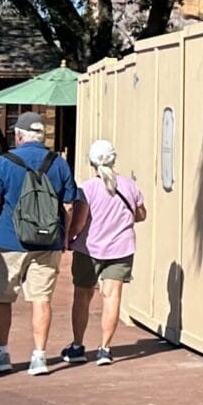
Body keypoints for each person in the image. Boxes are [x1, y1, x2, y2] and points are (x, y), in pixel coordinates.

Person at [0, 111, 82, 375]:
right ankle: (39, 356)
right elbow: (69, 205)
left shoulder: (3, 162)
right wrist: (64, 238)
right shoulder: (59, 163)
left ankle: (2, 352)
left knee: (3, 298)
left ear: (18, 135)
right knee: (41, 300)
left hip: (10, 240)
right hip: (48, 241)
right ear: (41, 136)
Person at [67, 138, 145, 366]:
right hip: (121, 248)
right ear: (114, 159)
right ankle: (105, 348)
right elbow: (141, 214)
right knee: (112, 297)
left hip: (89, 248)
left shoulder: (87, 188)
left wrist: (69, 237)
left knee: (82, 296)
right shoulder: (129, 185)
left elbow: (80, 223)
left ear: (91, 162)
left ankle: (77, 345)